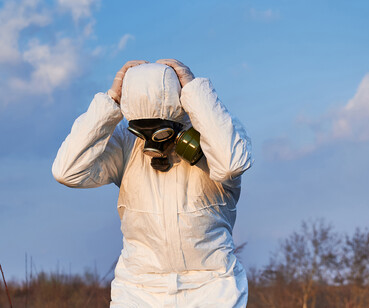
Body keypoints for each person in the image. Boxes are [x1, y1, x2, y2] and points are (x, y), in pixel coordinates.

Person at [52, 59, 253, 307]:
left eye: (160, 131)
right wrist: (110, 103)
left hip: (213, 287)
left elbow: (232, 163)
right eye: (141, 131)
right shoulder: (127, 143)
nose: (151, 142)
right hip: (138, 290)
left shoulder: (220, 136)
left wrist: (195, 93)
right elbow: (67, 171)